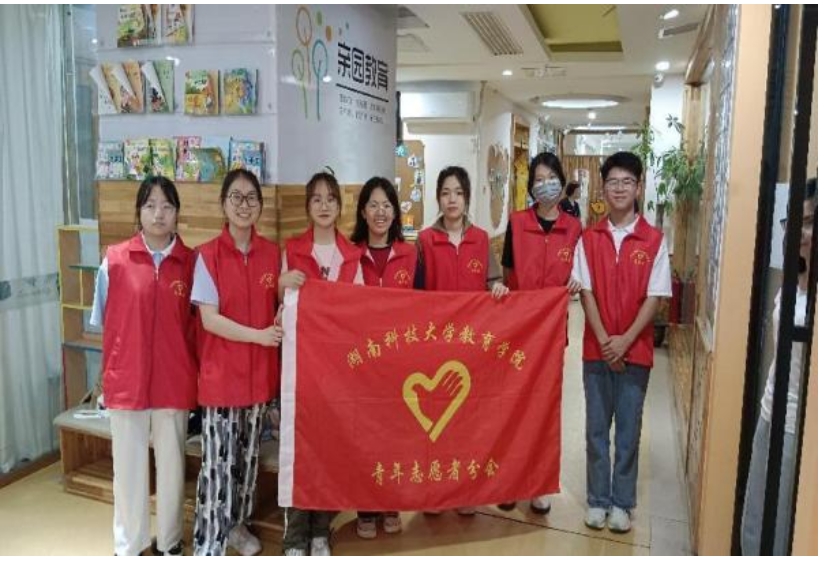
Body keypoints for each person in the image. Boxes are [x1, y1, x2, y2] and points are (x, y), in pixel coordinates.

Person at [90, 175, 197, 556]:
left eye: (167, 206)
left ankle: (169, 542)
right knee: (128, 470)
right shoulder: (115, 260)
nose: (158, 214)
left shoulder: (191, 263)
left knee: (172, 469)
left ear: (177, 213)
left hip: (174, 380)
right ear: (138, 212)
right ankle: (129, 546)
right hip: (127, 382)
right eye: (150, 205)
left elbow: (196, 326)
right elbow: (104, 322)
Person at [572, 151, 672, 533]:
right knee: (597, 430)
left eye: (627, 182)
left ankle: (622, 503)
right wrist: (604, 341)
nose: (619, 188)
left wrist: (625, 341)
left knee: (628, 432)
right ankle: (598, 499)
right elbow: (586, 292)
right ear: (603, 188)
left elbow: (656, 296)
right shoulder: (589, 238)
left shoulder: (654, 240)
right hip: (596, 351)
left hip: (637, 352)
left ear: (638, 187)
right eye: (612, 181)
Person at [191, 169, 282, 556]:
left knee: (246, 465)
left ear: (260, 205)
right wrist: (260, 336)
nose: (245, 205)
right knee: (218, 468)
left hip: (259, 379)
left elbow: (279, 305)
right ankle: (208, 544)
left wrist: (283, 313)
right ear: (223, 205)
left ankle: (237, 528)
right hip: (222, 381)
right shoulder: (206, 256)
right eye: (237, 198)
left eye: (251, 198)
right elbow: (210, 320)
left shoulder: (272, 254)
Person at [415, 165, 509, 517]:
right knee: (435, 424)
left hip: (472, 348)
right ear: (437, 198)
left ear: (467, 197)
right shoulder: (425, 240)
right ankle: (435, 491)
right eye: (445, 193)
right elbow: (414, 294)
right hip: (435, 348)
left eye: (457, 192)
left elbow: (493, 281)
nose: (451, 199)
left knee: (468, 420)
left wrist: (498, 288)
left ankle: (465, 491)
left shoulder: (481, 239)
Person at [279, 171, 364, 556]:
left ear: (340, 206)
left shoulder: (352, 256)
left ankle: (320, 531)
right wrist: (283, 284)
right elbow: (280, 303)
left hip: (337, 370)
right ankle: (295, 536)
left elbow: (359, 312)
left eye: (331, 198)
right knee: (299, 448)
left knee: (328, 448)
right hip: (300, 368)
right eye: (317, 199)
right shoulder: (293, 250)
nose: (324, 205)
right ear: (307, 206)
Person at [497, 152, 582, 515]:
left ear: (561, 181)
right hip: (517, 333)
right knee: (512, 407)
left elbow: (580, 273)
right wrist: (501, 290)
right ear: (531, 186)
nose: (545, 184)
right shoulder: (516, 223)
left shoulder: (574, 229)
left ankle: (539, 484)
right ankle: (509, 482)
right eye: (538, 179)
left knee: (544, 409)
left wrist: (576, 281)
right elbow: (506, 273)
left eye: (551, 178)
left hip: (551, 336)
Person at [741, 178, 816, 555]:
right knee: (756, 516)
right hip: (771, 409)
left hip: (799, 425)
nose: (799, 231)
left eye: (809, 222)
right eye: (794, 221)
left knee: (783, 522)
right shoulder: (792, 282)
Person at [349, 176, 417, 539]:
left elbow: (426, 305)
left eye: (387, 205)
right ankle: (366, 506)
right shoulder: (350, 255)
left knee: (395, 437)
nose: (380, 212)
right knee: (365, 438)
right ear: (363, 211)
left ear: (395, 212)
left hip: (400, 365)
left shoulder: (410, 254)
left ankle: (391, 503)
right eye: (373, 205)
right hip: (362, 365)